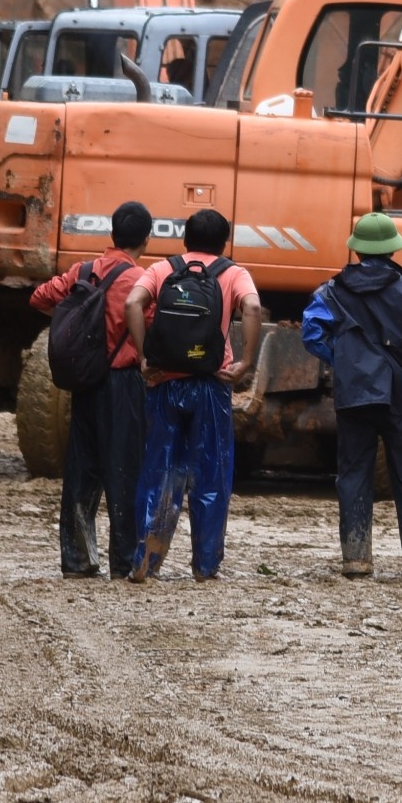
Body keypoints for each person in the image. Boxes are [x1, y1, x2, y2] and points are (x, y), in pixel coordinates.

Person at [301, 213, 402, 579]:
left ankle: (356, 559)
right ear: (392, 249)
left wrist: (344, 359)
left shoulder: (330, 291)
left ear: (356, 250)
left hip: (354, 394)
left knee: (353, 473)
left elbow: (311, 333)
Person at [123, 208, 261, 581]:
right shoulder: (233, 273)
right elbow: (251, 306)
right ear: (224, 242)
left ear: (185, 239)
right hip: (211, 384)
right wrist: (246, 361)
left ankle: (146, 560)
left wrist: (145, 357)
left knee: (158, 470)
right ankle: (205, 565)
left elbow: (133, 303)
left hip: (165, 382)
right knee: (211, 475)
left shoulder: (162, 269)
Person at [29, 200, 153, 578]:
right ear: (146, 239)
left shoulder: (83, 271)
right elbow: (152, 326)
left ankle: (78, 560)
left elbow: (39, 298)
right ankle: (125, 562)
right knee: (124, 471)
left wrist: (78, 319)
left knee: (82, 470)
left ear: (112, 233)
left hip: (86, 382)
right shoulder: (141, 282)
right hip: (123, 384)